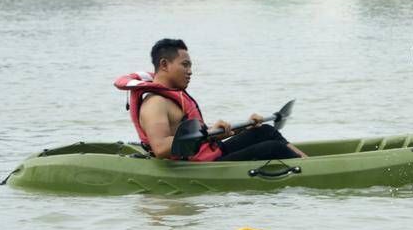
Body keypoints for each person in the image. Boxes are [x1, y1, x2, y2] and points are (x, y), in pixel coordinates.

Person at [114, 39, 305, 161]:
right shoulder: (155, 103)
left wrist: (243, 127)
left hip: (210, 153)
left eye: (190, 66)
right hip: (199, 166)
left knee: (264, 131)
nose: (190, 71)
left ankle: (308, 163)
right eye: (185, 65)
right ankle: (313, 172)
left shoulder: (173, 97)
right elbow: (161, 147)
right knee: (272, 148)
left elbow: (198, 138)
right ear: (164, 64)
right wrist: (209, 133)